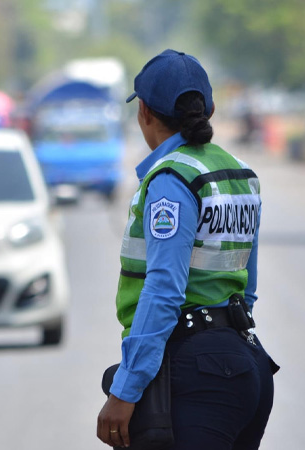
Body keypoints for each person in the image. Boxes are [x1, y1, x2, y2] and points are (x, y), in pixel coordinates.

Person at [96, 50, 277, 449]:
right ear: (209, 109)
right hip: (246, 366)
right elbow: (247, 287)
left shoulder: (172, 178)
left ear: (143, 111)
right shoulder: (238, 173)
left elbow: (164, 289)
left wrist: (125, 390)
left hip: (197, 374)